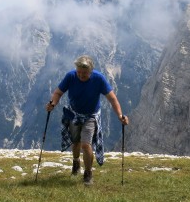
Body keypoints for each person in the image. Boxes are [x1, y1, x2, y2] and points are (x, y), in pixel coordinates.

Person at [46, 55, 129, 185]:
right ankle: (76, 162)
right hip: (74, 113)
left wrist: (120, 116)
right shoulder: (70, 76)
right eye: (79, 72)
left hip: (91, 116)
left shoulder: (98, 79)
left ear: (91, 71)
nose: (81, 75)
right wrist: (53, 103)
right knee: (75, 142)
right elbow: (58, 93)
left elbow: (112, 98)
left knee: (86, 144)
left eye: (84, 73)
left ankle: (88, 173)